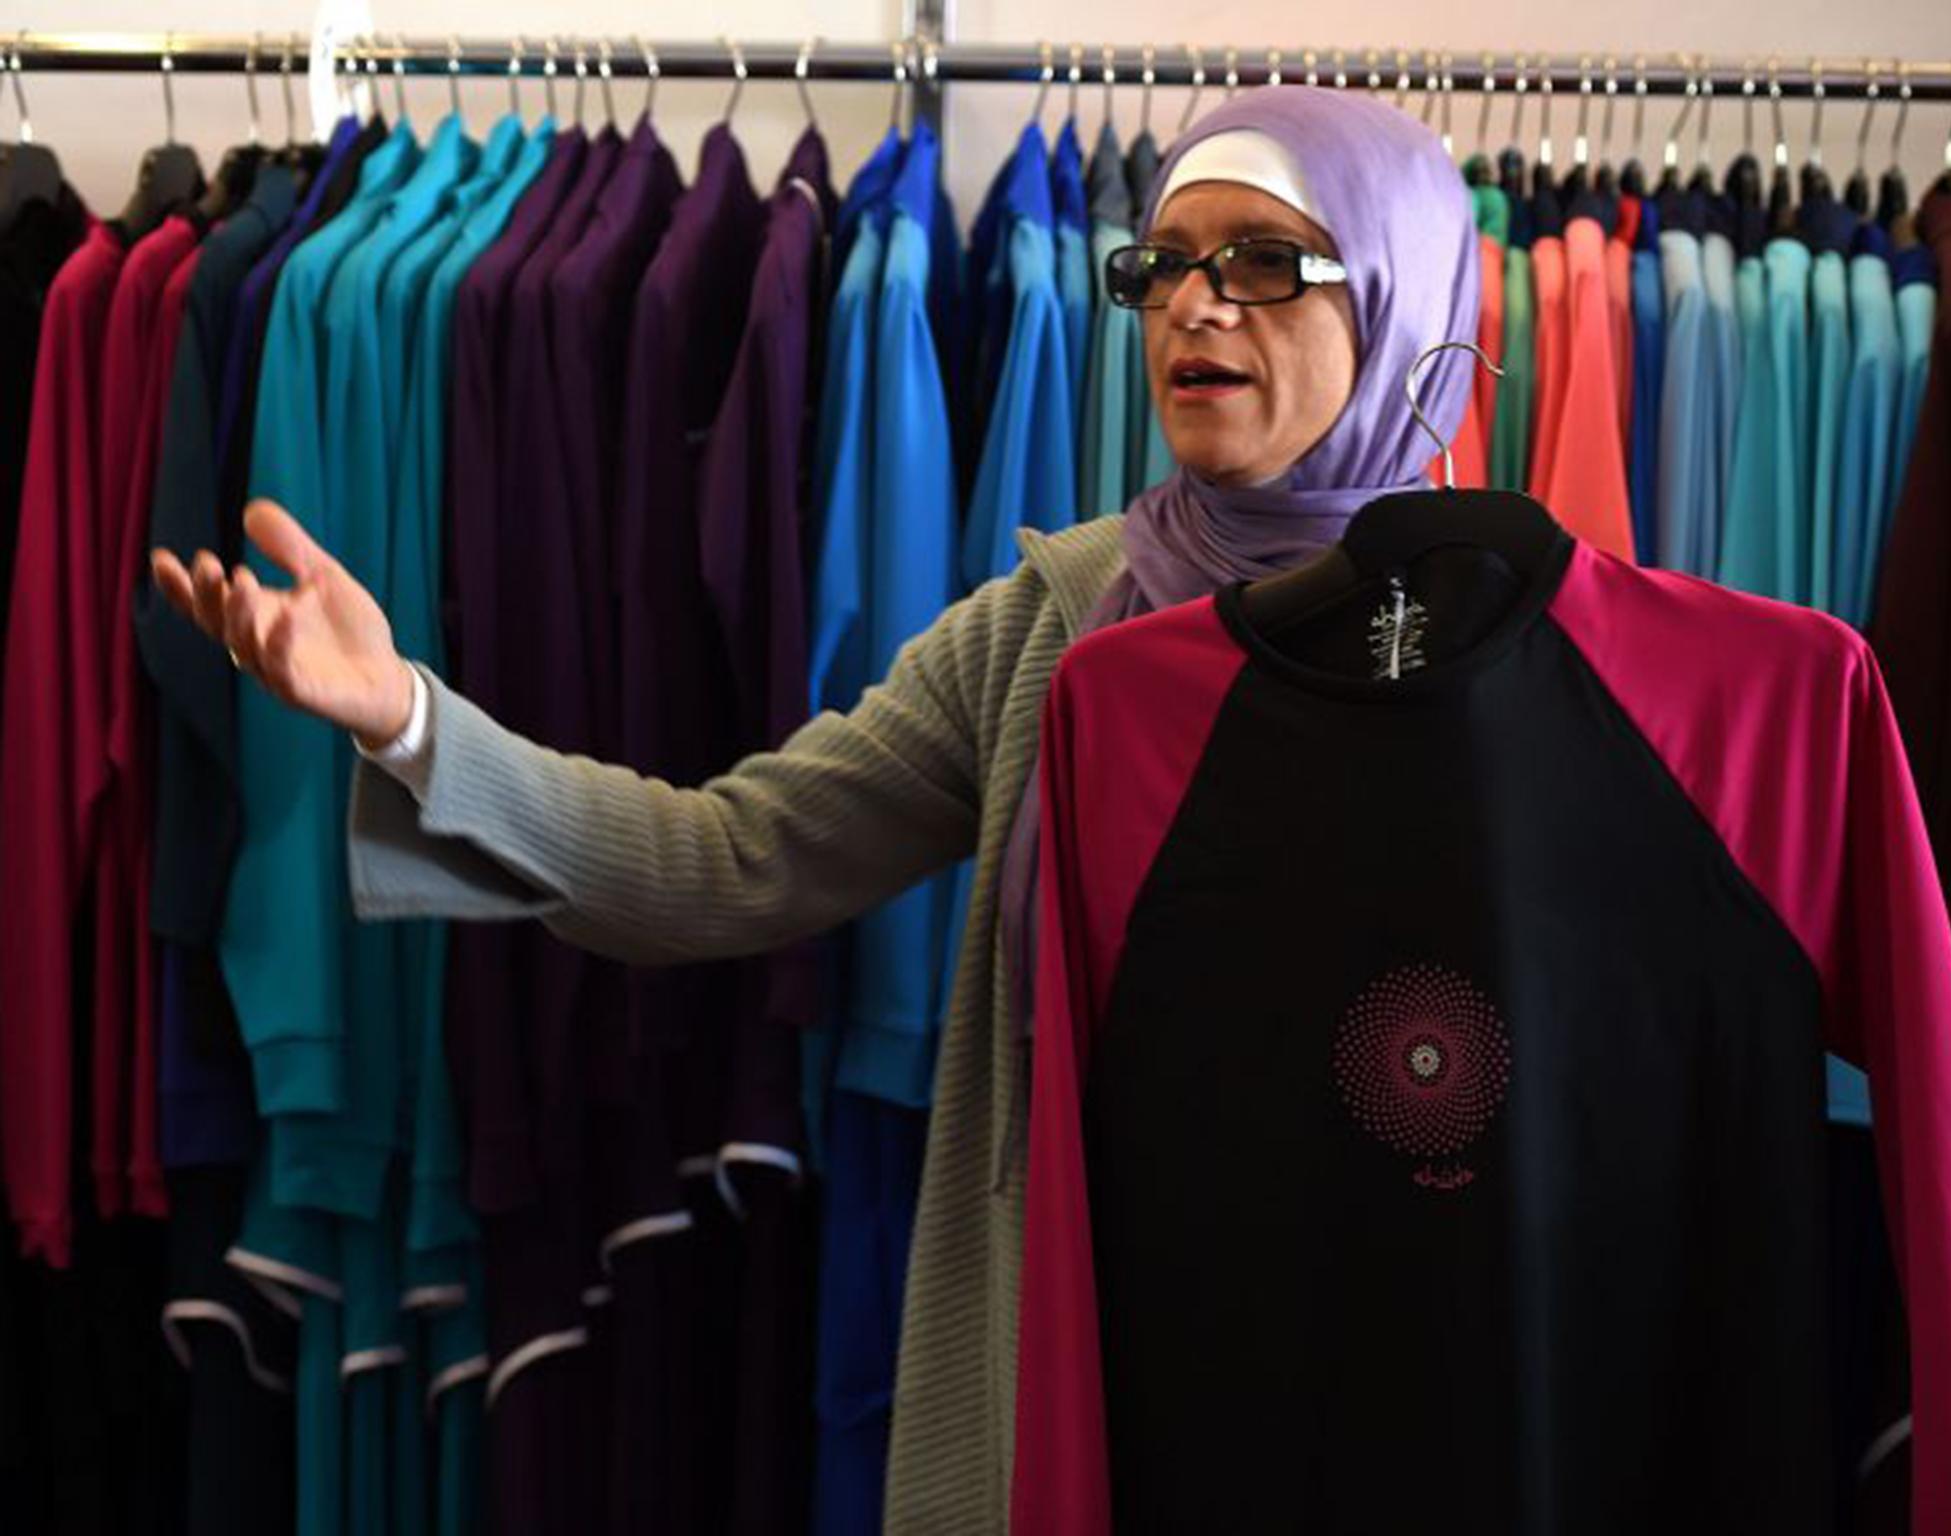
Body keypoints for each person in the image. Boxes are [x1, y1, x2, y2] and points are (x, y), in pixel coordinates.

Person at [151, 85, 1478, 1531]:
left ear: (1405, 298)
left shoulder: (1501, 659)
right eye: (1165, 262)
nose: (1196, 307)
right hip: (1074, 1367)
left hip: (1371, 1369)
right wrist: (408, 715)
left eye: (1267, 263)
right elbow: (729, 857)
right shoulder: (1051, 627)